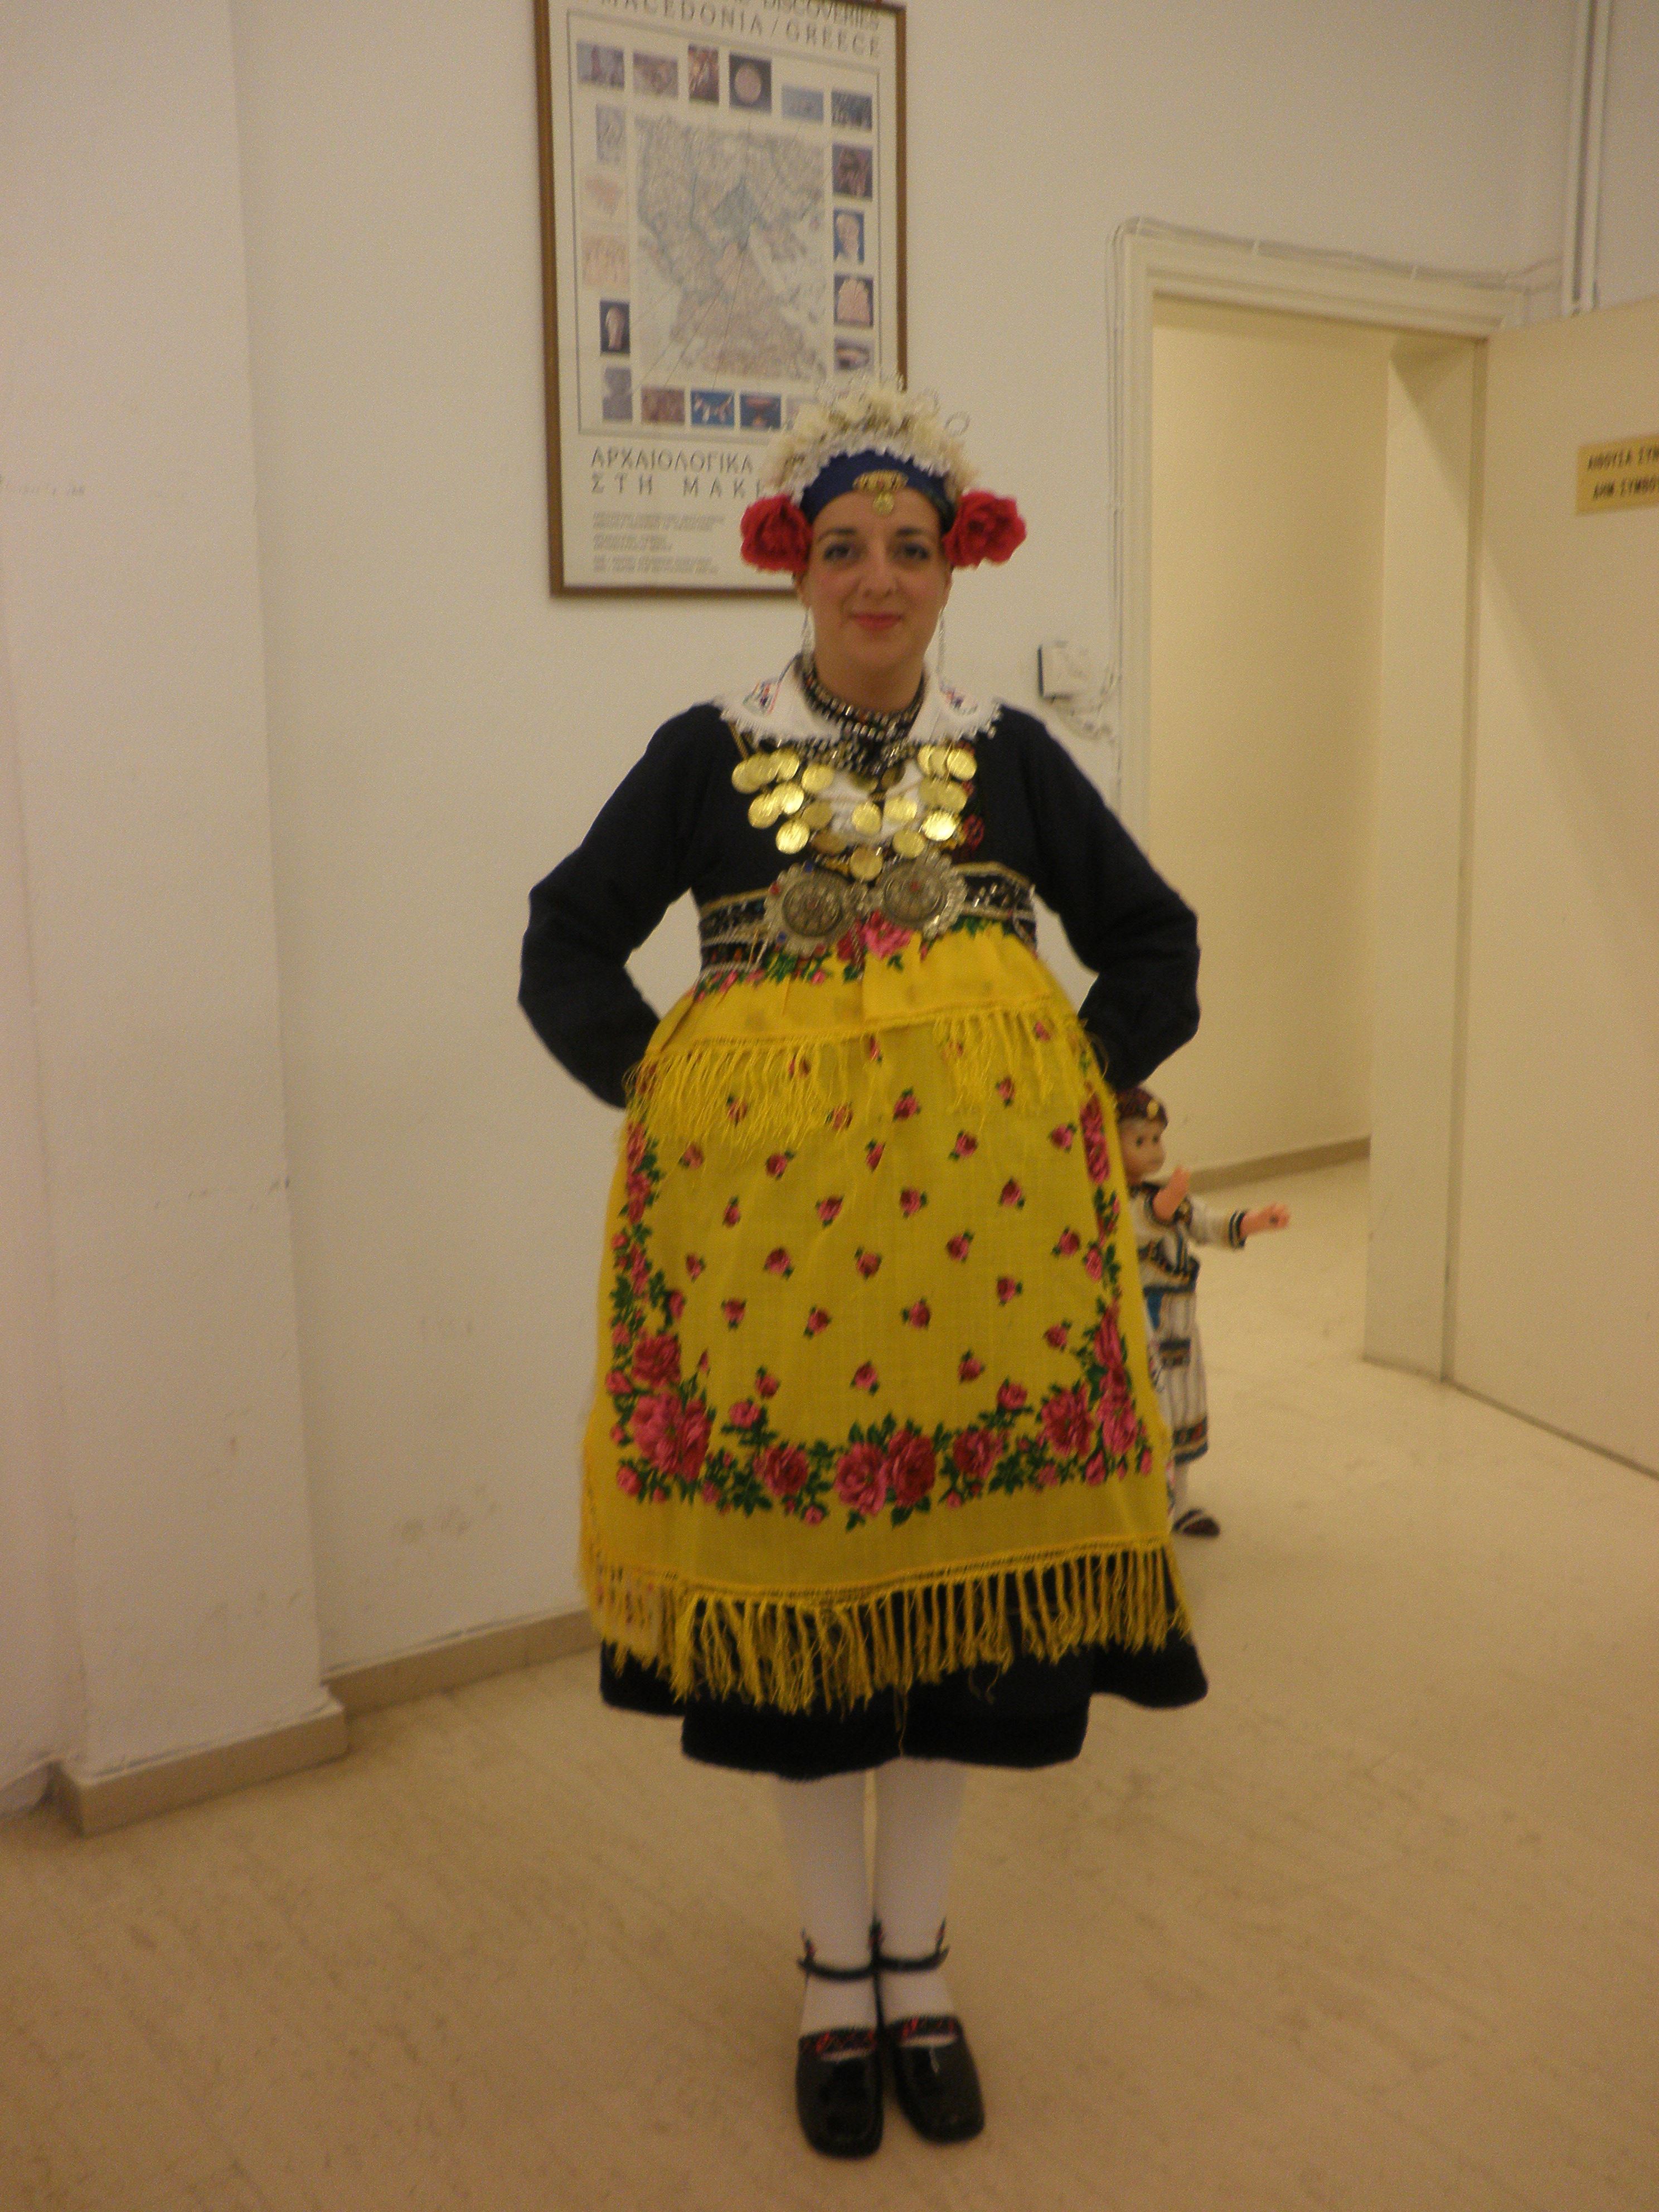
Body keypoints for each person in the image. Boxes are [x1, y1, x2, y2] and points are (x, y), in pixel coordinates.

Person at [519, 381, 1205, 2159]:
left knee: (953, 1627)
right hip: (777, 1281)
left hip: (986, 1277)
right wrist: (663, 1086)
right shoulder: (706, 752)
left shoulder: (1014, 756)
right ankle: (836, 1976)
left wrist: (1068, 1077)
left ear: (955, 564)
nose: (878, 577)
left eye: (910, 545)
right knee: (812, 1629)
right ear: (794, 565)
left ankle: (922, 1963)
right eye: (844, 547)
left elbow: (1154, 937)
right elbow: (564, 939)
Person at [1115, 1089, 1291, 1536]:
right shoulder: (1114, 1204)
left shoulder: (1165, 1198)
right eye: (1140, 1142)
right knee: (1148, 1412)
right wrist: (1170, 1200)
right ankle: (1143, 1504)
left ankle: (1181, 1502)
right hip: (1139, 1324)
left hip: (1179, 1322)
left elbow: (1205, 1222)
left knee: (1184, 1410)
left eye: (1157, 1139)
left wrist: (1251, 1222)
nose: (1154, 1151)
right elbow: (1143, 1223)